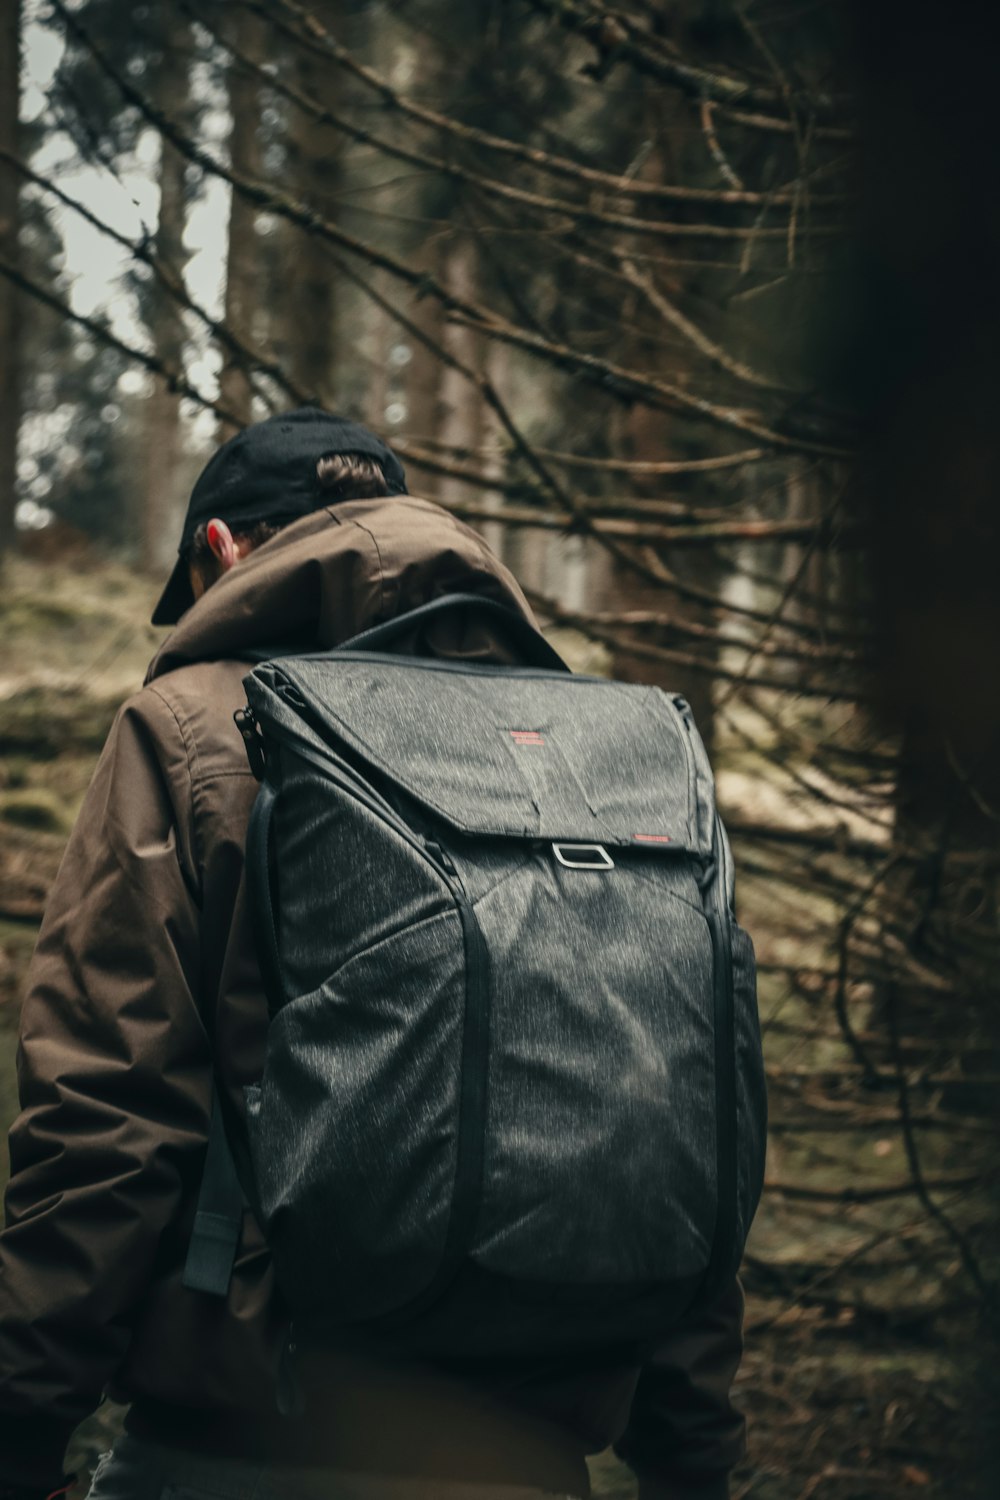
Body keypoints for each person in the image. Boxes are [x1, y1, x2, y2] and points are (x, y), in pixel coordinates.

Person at [0, 407, 747, 1500]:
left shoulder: (192, 726)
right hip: (529, 1451)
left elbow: (108, 1111)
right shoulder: (615, 750)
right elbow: (683, 1118)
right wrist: (695, 1458)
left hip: (245, 1442)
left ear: (220, 551)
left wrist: (23, 1423)